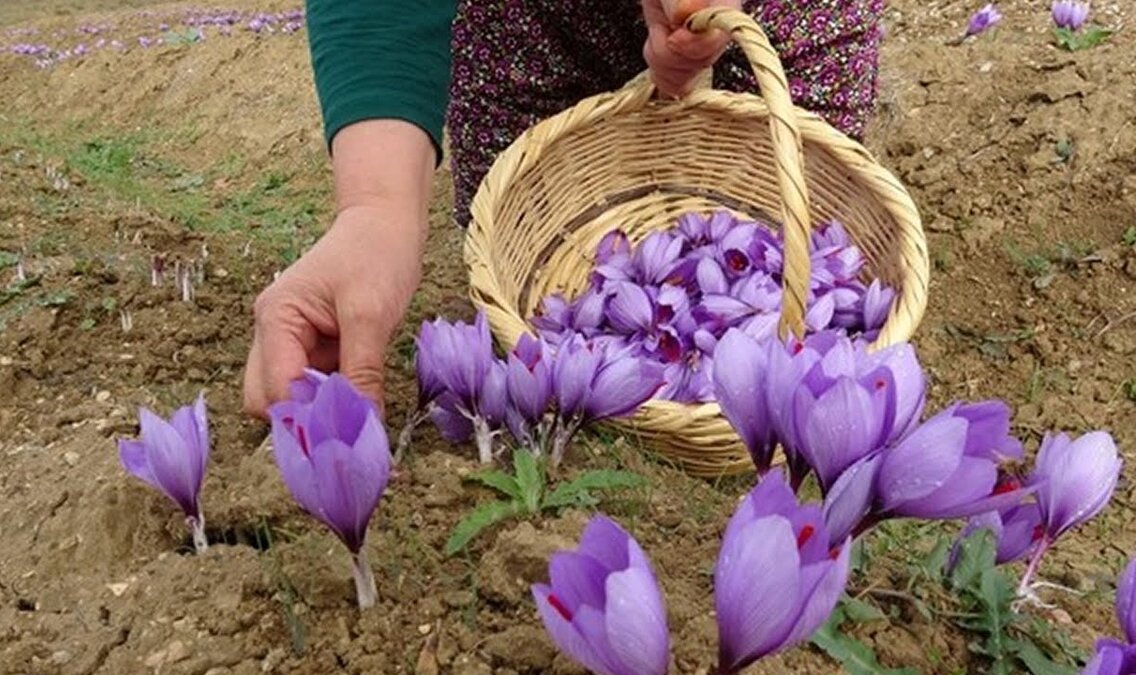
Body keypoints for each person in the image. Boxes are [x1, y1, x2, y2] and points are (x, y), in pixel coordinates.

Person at [242, 0, 886, 418]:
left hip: (785, 12)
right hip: (536, 23)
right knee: (531, 255)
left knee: (790, 215)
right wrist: (376, 209)